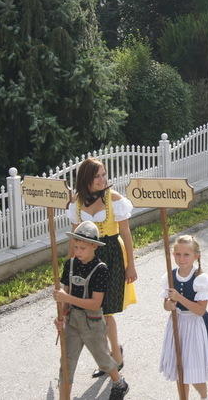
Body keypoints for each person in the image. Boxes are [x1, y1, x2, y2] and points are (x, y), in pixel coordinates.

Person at [67, 158, 137, 378]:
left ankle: (115, 357)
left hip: (111, 256)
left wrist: (131, 265)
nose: (102, 180)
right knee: (92, 312)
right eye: (97, 176)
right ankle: (108, 356)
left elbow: (126, 233)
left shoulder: (114, 200)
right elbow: (73, 237)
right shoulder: (76, 202)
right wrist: (71, 265)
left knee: (106, 310)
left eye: (104, 175)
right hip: (86, 259)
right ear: (86, 178)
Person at [53, 221, 130, 400]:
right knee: (66, 365)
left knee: (103, 360)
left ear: (94, 246)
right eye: (76, 247)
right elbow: (67, 291)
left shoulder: (101, 269)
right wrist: (61, 316)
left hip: (92, 321)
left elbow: (96, 304)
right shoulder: (70, 265)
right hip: (72, 321)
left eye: (82, 248)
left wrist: (66, 298)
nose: (77, 252)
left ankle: (119, 383)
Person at [160, 235, 208, 400]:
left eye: (186, 255)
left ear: (196, 256)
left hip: (195, 324)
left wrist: (179, 298)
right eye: (178, 254)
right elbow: (166, 305)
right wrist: (169, 304)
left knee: (193, 368)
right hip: (178, 322)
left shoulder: (200, 279)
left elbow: (200, 310)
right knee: (179, 368)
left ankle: (205, 397)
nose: (181, 259)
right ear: (173, 255)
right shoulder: (169, 276)